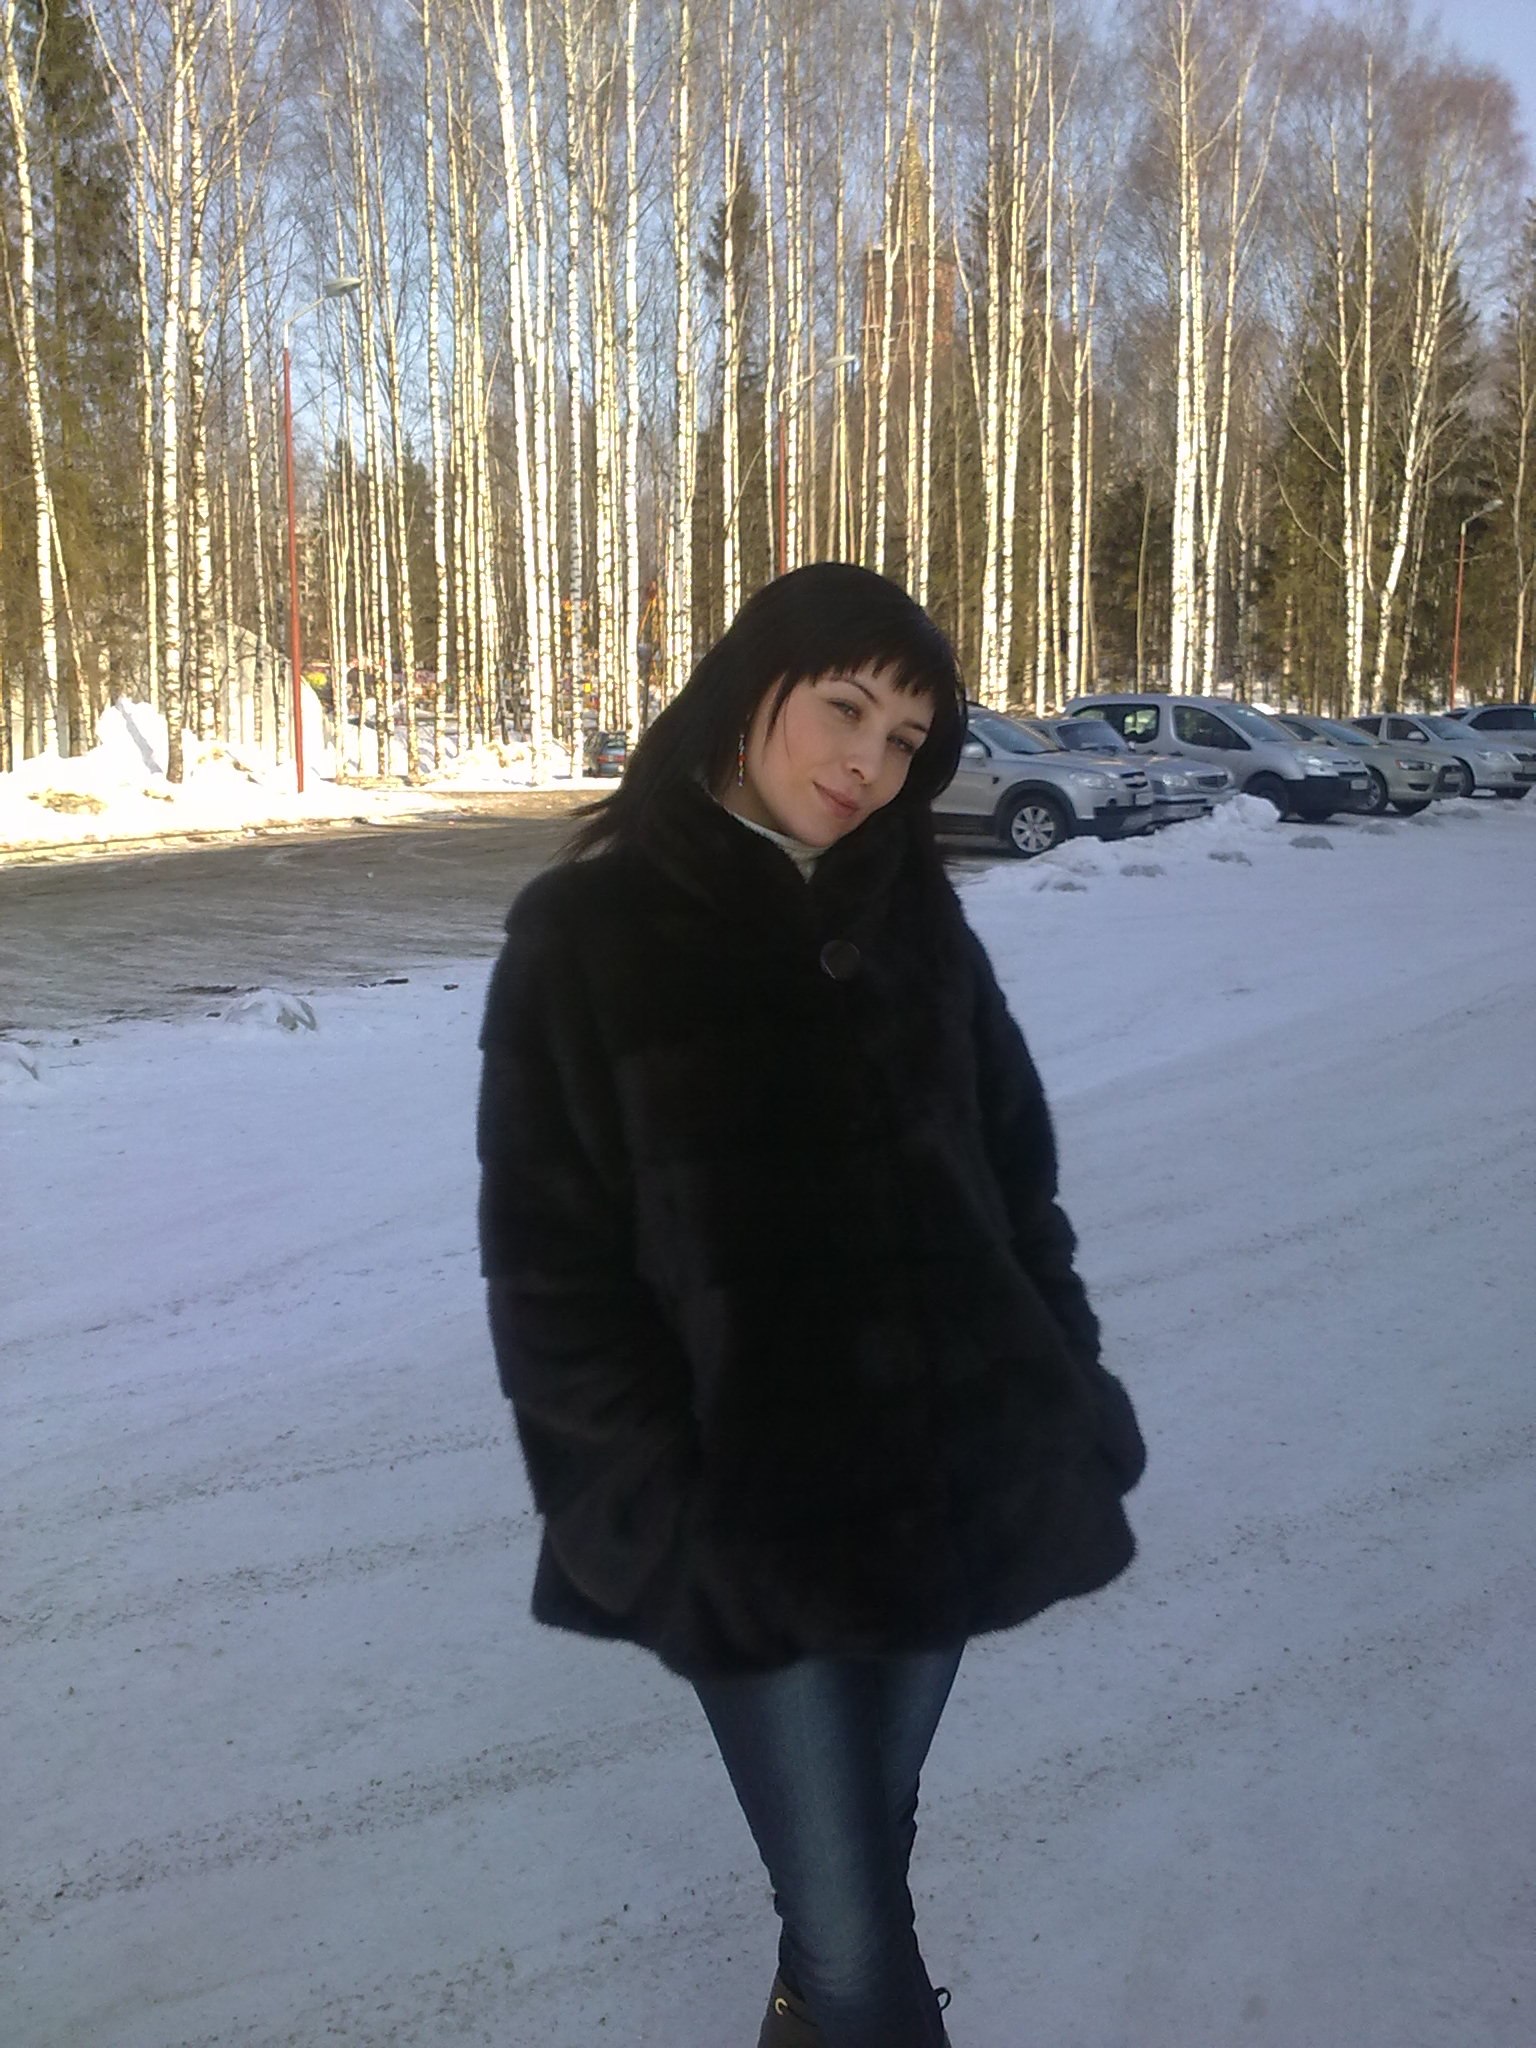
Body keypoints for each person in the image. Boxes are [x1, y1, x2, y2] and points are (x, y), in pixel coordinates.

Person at [477, 563, 1146, 2048]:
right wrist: (655, 1510)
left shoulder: (915, 917)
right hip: (746, 1530)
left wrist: (1065, 1383)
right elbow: (552, 1280)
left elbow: (1019, 1189)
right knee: (856, 1944)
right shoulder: (588, 935)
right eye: (844, 708)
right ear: (749, 688)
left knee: (861, 1860)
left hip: (952, 1479)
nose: (869, 764)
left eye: (906, 739)